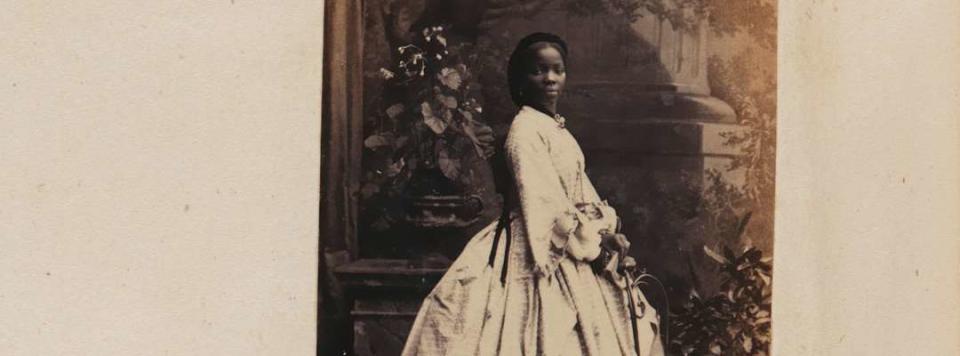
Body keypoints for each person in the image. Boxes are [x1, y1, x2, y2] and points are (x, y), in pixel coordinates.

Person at [402, 32, 664, 356]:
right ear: (522, 80)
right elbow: (546, 205)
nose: (550, 78)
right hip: (538, 242)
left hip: (570, 241)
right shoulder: (524, 131)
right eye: (539, 71)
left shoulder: (555, 128)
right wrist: (593, 249)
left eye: (557, 69)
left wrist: (605, 235)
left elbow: (580, 193)